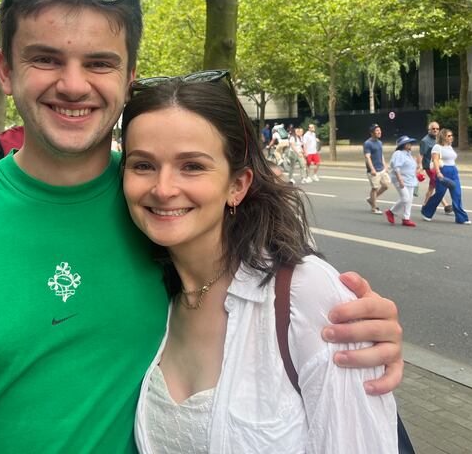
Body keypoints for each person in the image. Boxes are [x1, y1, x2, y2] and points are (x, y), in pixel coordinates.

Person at [0, 0, 403, 452]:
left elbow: (269, 293)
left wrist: (352, 333)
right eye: (44, 59)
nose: (73, 84)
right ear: (5, 71)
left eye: (100, 63)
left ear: (130, 77)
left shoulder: (162, 211)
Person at [122, 74, 397, 452]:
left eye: (192, 167)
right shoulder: (150, 289)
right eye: (142, 166)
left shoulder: (306, 294)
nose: (164, 188)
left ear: (237, 185)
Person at [421, 128, 471, 224]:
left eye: (451, 135)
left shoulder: (450, 146)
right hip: (443, 171)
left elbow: (451, 159)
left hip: (453, 171)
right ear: (443, 136)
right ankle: (426, 211)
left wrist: (454, 169)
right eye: (449, 136)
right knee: (439, 194)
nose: (451, 137)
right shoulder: (437, 147)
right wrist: (438, 172)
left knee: (457, 194)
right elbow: (435, 160)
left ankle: (461, 218)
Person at [385, 136, 422, 227]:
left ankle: (406, 218)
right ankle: (391, 212)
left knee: (409, 200)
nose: (410, 145)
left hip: (410, 180)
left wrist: (418, 170)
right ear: (403, 145)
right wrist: (400, 179)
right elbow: (396, 167)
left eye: (410, 143)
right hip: (400, 179)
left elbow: (411, 168)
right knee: (405, 198)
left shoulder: (408, 154)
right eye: (408, 143)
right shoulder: (398, 153)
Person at [418, 121, 452, 214]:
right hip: (429, 167)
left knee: (432, 187)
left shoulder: (438, 139)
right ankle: (445, 205)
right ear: (429, 130)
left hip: (437, 165)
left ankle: (425, 205)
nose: (435, 130)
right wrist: (419, 168)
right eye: (433, 129)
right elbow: (421, 155)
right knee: (437, 184)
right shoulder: (425, 141)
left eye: (437, 129)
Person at [364, 123, 390, 214]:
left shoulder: (379, 142)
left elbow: (381, 154)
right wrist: (372, 169)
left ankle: (371, 199)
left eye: (379, 130)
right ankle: (374, 208)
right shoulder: (367, 143)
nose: (379, 132)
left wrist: (385, 165)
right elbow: (367, 157)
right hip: (373, 170)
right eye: (377, 131)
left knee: (386, 185)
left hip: (381, 169)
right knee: (375, 188)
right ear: (372, 133)